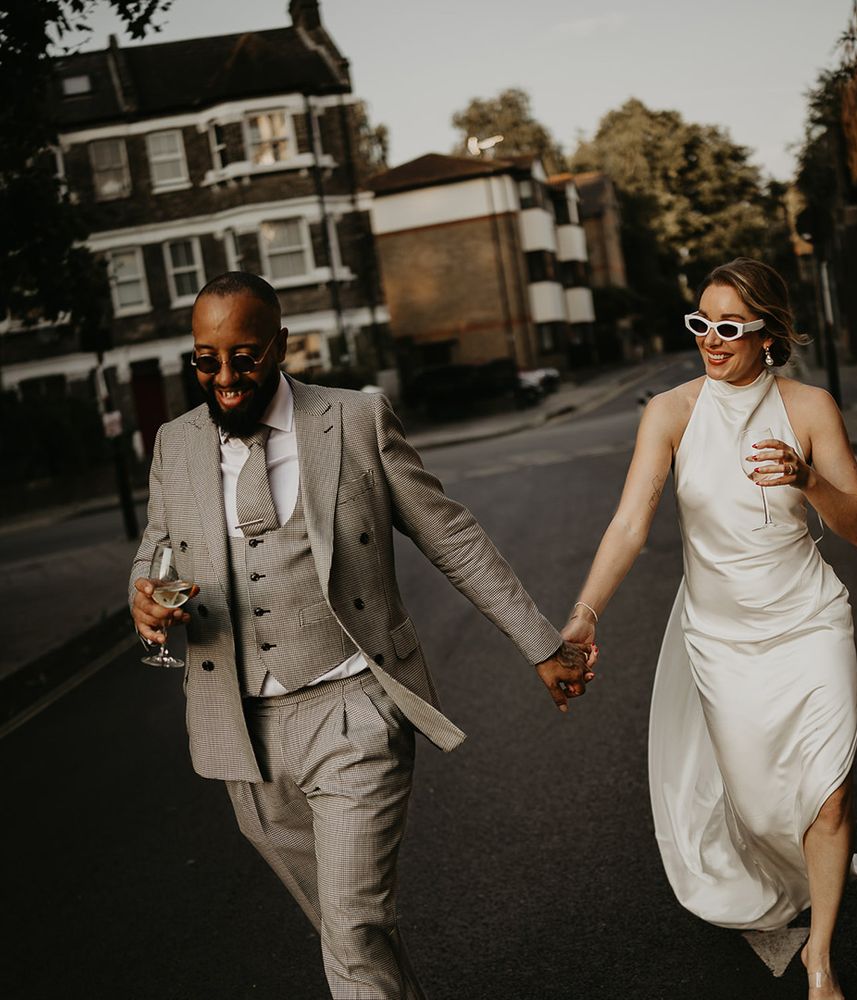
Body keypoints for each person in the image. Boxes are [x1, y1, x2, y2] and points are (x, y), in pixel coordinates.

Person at [129, 271, 592, 999]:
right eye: (205, 360)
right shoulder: (174, 444)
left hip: (354, 709)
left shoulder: (354, 420)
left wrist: (541, 642)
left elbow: (451, 537)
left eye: (244, 358)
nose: (224, 378)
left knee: (351, 928)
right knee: (349, 933)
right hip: (241, 729)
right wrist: (146, 601)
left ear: (282, 345)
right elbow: (156, 553)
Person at [562, 258, 857, 998]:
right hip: (720, 639)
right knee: (760, 804)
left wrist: (806, 477)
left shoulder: (810, 408)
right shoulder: (670, 413)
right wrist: (584, 612)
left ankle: (820, 960)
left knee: (829, 792)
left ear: (768, 334)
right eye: (701, 323)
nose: (711, 339)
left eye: (730, 327)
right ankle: (790, 874)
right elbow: (630, 523)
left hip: (808, 622)